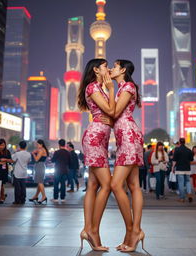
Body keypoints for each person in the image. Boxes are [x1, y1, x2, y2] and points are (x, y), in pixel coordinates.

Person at [107, 59, 144, 252]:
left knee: (115, 184)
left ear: (122, 70)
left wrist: (108, 88)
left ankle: (132, 231)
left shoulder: (128, 86)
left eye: (114, 66)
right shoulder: (124, 87)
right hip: (126, 138)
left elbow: (114, 112)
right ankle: (132, 233)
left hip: (129, 137)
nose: (111, 69)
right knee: (133, 185)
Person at [77, 59, 115, 251]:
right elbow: (110, 110)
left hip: (101, 139)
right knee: (107, 185)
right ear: (95, 70)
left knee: (93, 185)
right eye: (105, 66)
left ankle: (87, 229)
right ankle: (93, 231)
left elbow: (109, 113)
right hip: (94, 138)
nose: (108, 69)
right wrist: (111, 88)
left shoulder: (98, 88)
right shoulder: (93, 87)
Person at [172, 138, 193, 203]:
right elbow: (191, 159)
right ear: (185, 142)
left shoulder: (177, 150)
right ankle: (189, 194)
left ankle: (182, 198)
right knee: (187, 181)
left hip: (179, 169)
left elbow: (174, 160)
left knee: (181, 183)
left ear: (180, 142)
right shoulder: (189, 150)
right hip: (187, 168)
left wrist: (173, 168)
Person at [29, 139, 49, 204]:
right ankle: (36, 196)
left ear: (41, 144)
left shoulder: (41, 150)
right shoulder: (43, 150)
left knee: (40, 182)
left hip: (39, 166)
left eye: (38, 144)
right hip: (41, 166)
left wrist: (33, 154)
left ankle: (44, 196)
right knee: (39, 182)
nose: (37, 145)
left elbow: (37, 159)